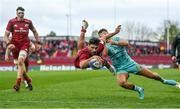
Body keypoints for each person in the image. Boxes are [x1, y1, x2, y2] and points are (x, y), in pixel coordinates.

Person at [99, 28, 180, 100]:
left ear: (108, 33)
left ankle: (164, 81)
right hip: (120, 68)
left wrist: (114, 42)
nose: (104, 36)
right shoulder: (102, 46)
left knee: (152, 76)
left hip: (130, 64)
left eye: (105, 34)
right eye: (101, 36)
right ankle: (139, 89)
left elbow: (126, 43)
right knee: (121, 83)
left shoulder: (115, 38)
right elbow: (105, 55)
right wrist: (105, 43)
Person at [3, 6, 42, 91]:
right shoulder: (11, 22)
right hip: (14, 47)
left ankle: (17, 84)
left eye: (22, 13)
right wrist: (8, 44)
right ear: (16, 13)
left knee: (21, 61)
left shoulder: (28, 22)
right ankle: (28, 80)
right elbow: (6, 36)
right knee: (21, 68)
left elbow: (34, 31)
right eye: (19, 13)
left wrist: (38, 42)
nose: (21, 14)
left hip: (25, 45)